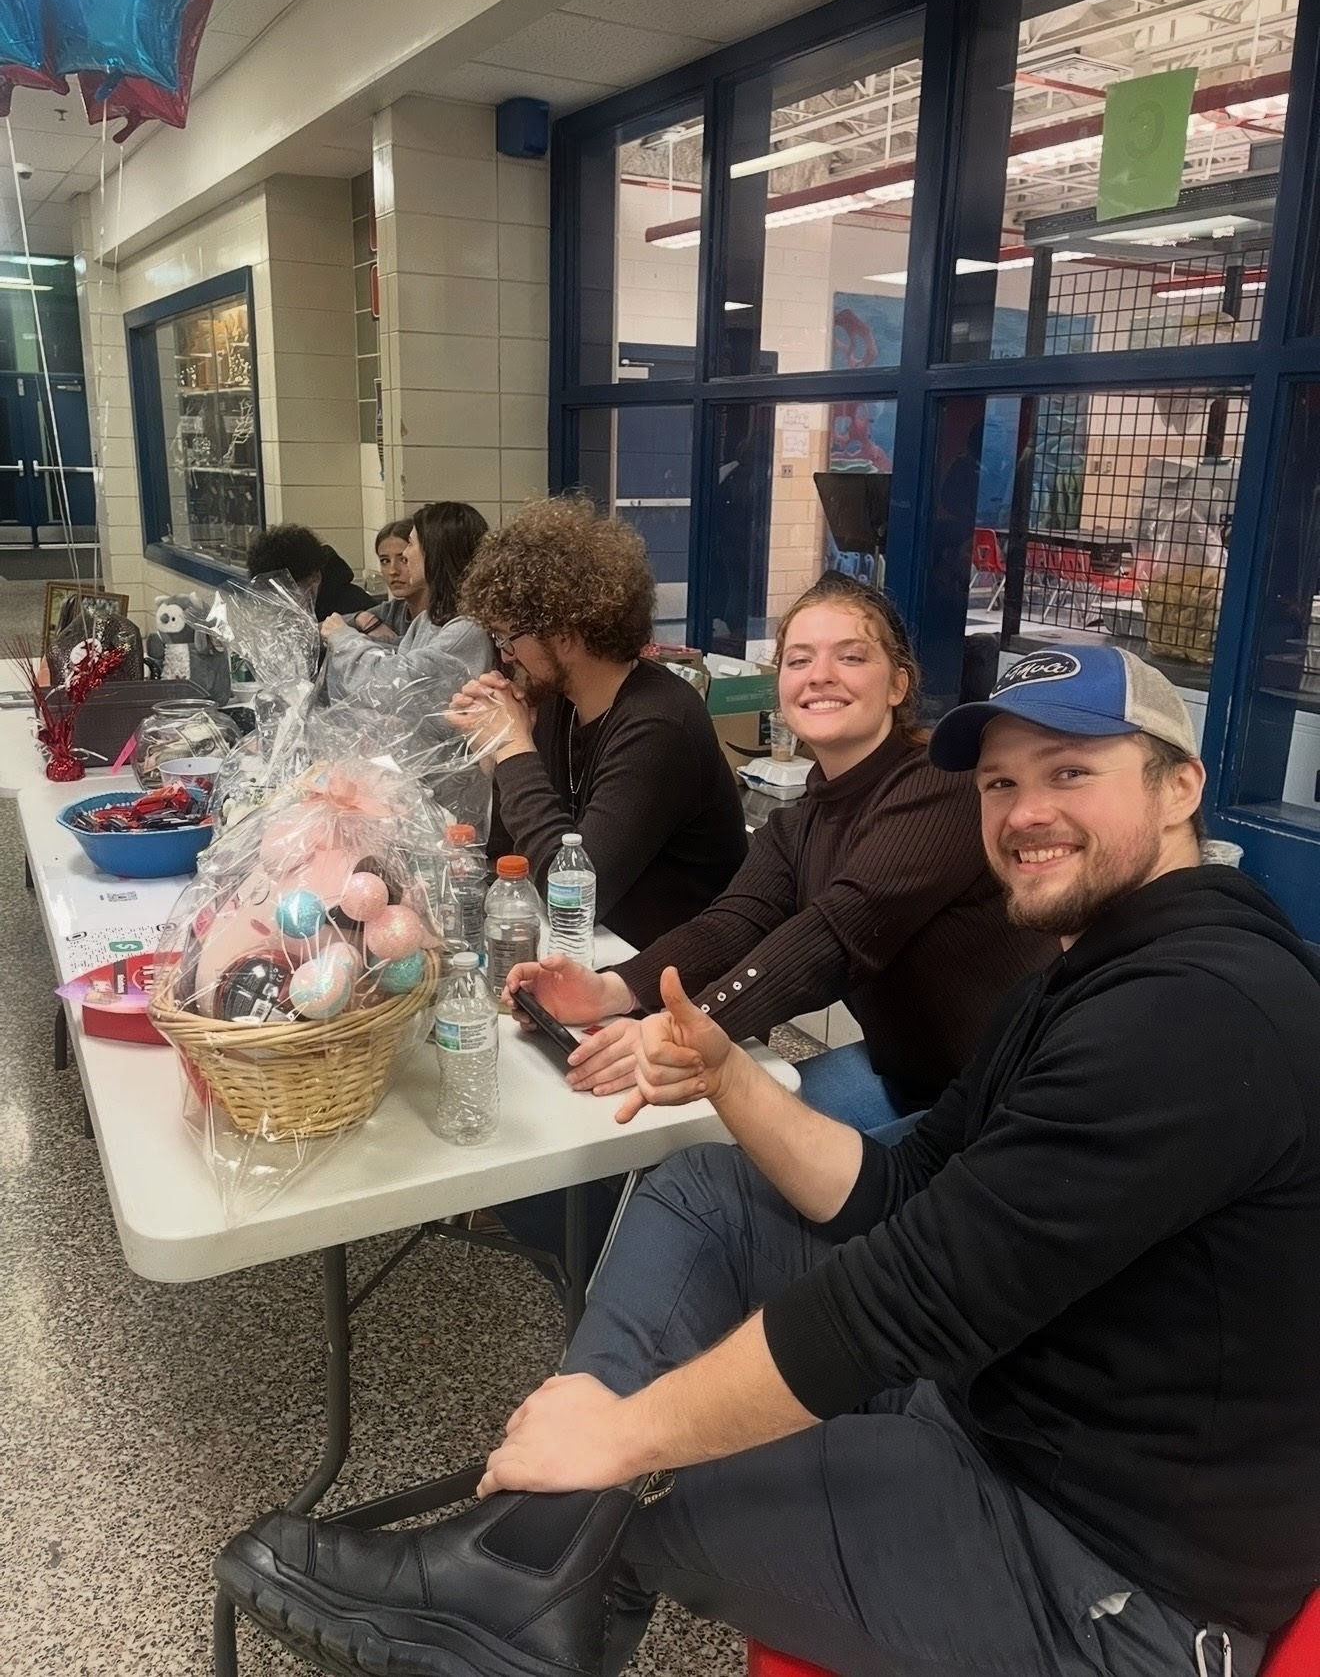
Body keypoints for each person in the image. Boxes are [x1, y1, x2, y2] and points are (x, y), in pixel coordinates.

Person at [217, 643, 1320, 1677]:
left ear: (1180, 788)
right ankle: (532, 1570)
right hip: (1007, 1415)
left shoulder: (1198, 1013)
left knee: (662, 1507)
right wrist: (726, 1073)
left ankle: (529, 1576)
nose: (1025, 812)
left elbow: (911, 1297)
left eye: (1070, 771)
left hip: (1110, 1578)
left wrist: (618, 1432)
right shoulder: (1086, 976)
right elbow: (900, 1189)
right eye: (998, 783)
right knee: (703, 1185)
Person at [512, 571, 1051, 1131]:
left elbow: (835, 937)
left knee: (729, 1173)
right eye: (798, 661)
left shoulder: (940, 788)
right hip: (909, 1076)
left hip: (1007, 1105)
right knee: (702, 1139)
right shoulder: (801, 819)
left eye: (851, 658)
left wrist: (687, 1029)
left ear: (897, 685)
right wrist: (612, 988)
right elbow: (732, 922)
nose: (820, 676)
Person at [449, 496, 747, 951]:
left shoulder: (660, 724)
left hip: (672, 980)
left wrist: (513, 749)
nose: (505, 655)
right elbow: (511, 862)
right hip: (598, 953)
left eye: (508, 638)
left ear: (565, 637)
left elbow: (570, 896)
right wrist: (500, 757)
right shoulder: (560, 702)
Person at [322, 501, 493, 699]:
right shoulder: (430, 619)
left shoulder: (467, 629)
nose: (405, 554)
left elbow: (394, 683)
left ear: (434, 552)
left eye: (411, 544)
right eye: (385, 560)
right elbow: (403, 660)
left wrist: (345, 639)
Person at [245, 523, 375, 622]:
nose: (279, 600)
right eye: (272, 592)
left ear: (314, 577)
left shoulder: (355, 606)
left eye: (287, 589)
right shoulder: (275, 613)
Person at [352, 519, 426, 642]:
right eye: (385, 561)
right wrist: (361, 618)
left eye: (403, 559)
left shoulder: (445, 619)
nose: (393, 571)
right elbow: (316, 631)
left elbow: (413, 653)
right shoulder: (393, 611)